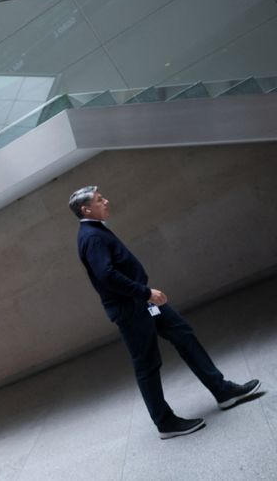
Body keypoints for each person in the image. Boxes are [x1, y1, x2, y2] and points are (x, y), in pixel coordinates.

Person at [68, 185, 261, 439]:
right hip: (132, 308)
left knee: (183, 334)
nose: (106, 201)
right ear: (86, 209)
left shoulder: (95, 231)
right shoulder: (91, 237)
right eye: (99, 199)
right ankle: (165, 422)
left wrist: (144, 295)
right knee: (147, 364)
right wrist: (145, 292)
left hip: (143, 304)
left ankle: (222, 391)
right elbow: (107, 276)